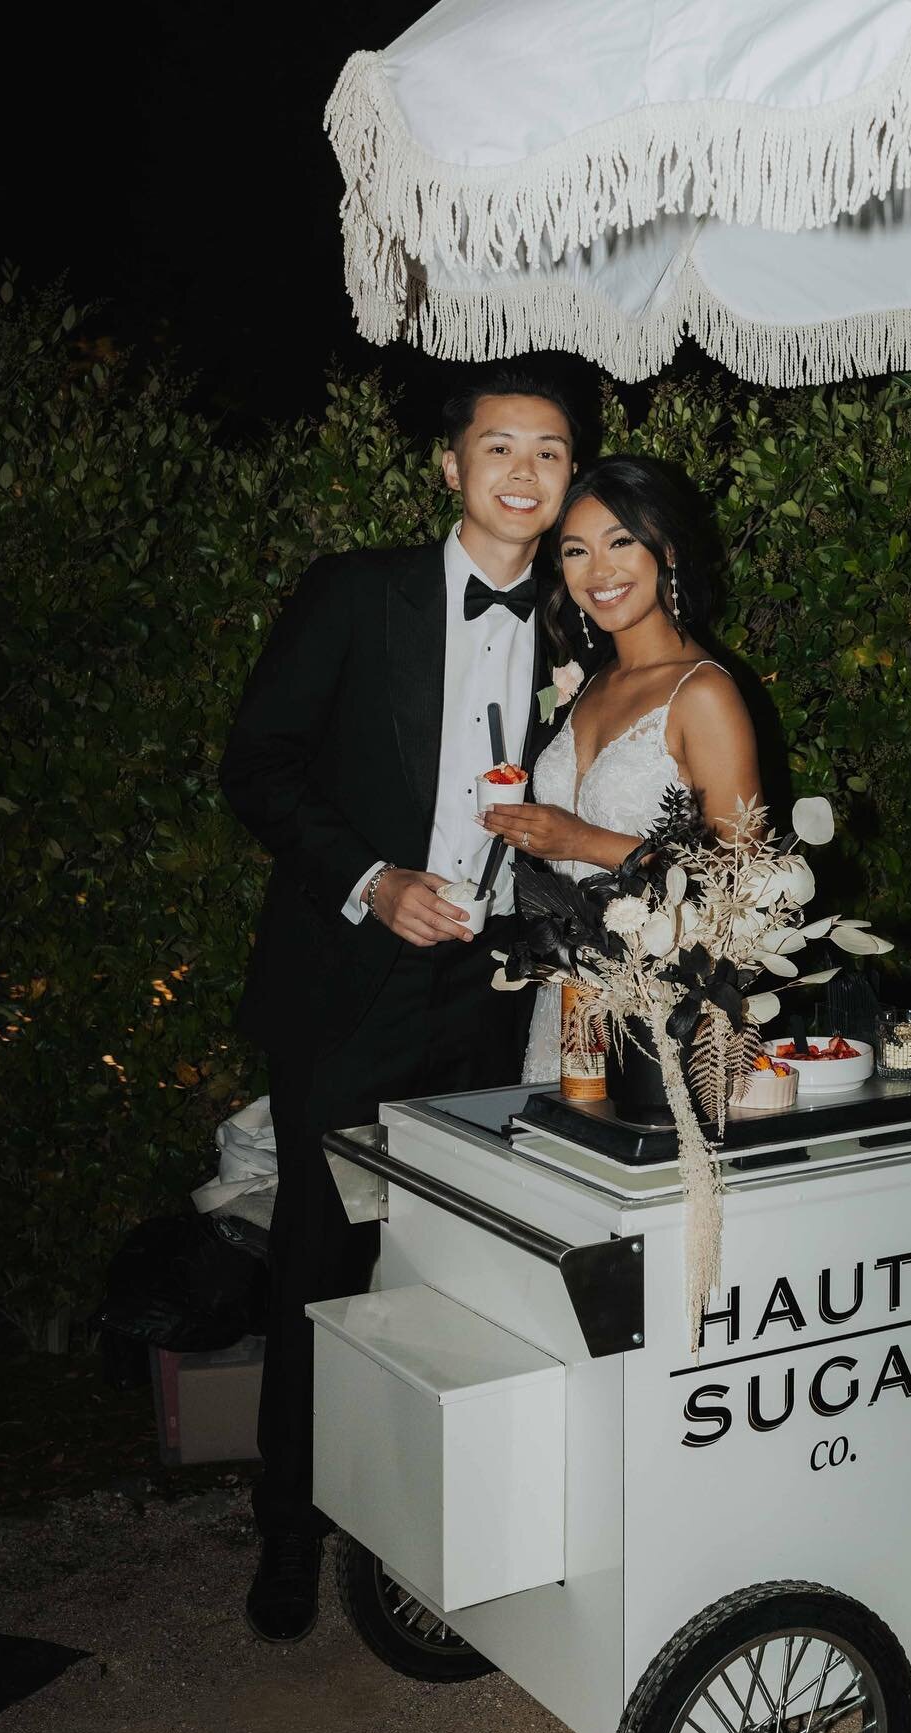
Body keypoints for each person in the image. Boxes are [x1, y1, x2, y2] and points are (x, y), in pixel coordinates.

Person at [219, 361, 579, 1642]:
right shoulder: (358, 593)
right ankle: (289, 1529)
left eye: (548, 451)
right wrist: (370, 883)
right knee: (321, 1257)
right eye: (499, 448)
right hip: (352, 984)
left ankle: (428, 1528)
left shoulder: (585, 623)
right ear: (451, 466)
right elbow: (254, 764)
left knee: (456, 1271)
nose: (523, 472)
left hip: (490, 1001)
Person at [478, 456, 762, 1080]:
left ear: (666, 550)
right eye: (576, 550)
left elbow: (744, 886)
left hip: (665, 1005)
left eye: (621, 542)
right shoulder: (594, 682)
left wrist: (580, 841)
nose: (598, 570)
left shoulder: (704, 693)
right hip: (570, 997)